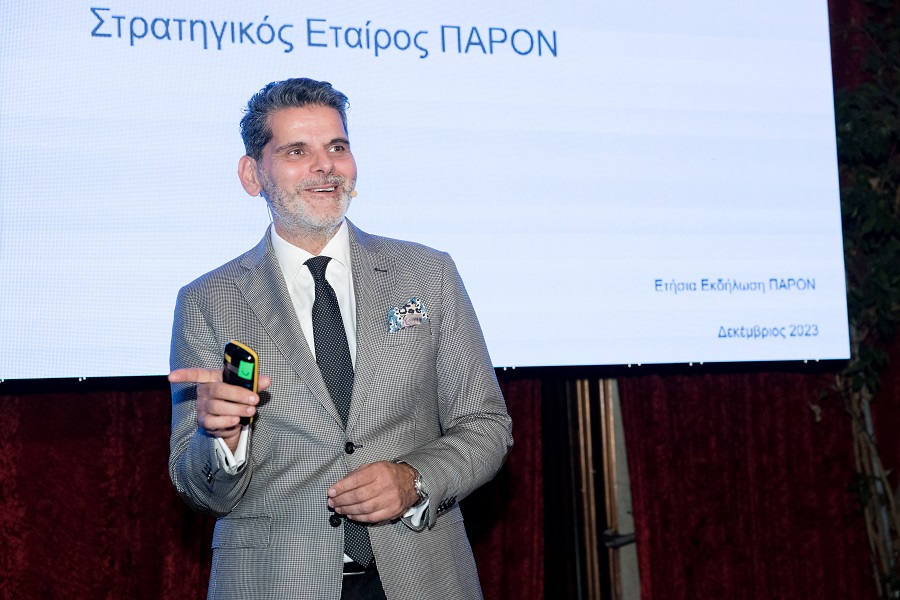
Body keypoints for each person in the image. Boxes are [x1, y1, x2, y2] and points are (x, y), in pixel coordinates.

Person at [167, 77, 513, 600]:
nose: (325, 166)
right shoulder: (208, 301)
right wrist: (223, 440)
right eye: (296, 151)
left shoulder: (427, 273)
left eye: (337, 147)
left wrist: (413, 479)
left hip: (423, 577)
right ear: (251, 175)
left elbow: (486, 425)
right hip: (277, 584)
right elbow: (200, 490)